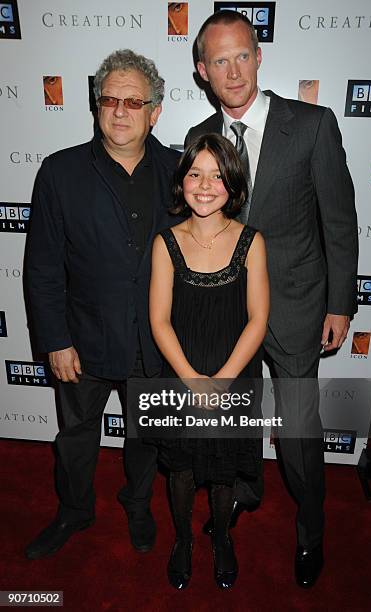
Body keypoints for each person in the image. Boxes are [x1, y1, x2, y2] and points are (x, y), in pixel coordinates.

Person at [185, 10, 358, 588]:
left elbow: (339, 221)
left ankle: (312, 529)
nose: (232, 71)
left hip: (296, 305)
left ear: (259, 56)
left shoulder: (312, 124)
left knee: (299, 431)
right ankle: (243, 494)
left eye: (242, 55)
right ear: (202, 70)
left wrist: (341, 303)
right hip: (225, 312)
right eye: (219, 61)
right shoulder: (197, 139)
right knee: (233, 420)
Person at [24, 49, 180, 560]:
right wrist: (55, 341)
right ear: (96, 105)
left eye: (133, 101)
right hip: (82, 342)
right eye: (110, 98)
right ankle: (74, 509)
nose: (119, 110)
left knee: (146, 439)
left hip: (154, 341)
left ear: (154, 111)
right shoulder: (59, 172)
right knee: (75, 439)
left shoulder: (181, 174)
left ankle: (137, 503)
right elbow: (43, 268)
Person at [149, 133, 269, 589]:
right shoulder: (166, 242)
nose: (205, 184)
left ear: (233, 184)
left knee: (223, 471)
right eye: (195, 173)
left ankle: (221, 537)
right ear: (181, 183)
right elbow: (159, 321)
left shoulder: (251, 241)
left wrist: (221, 381)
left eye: (217, 175)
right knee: (180, 469)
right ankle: (183, 539)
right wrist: (192, 381)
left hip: (233, 375)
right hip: (180, 375)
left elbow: (258, 319)